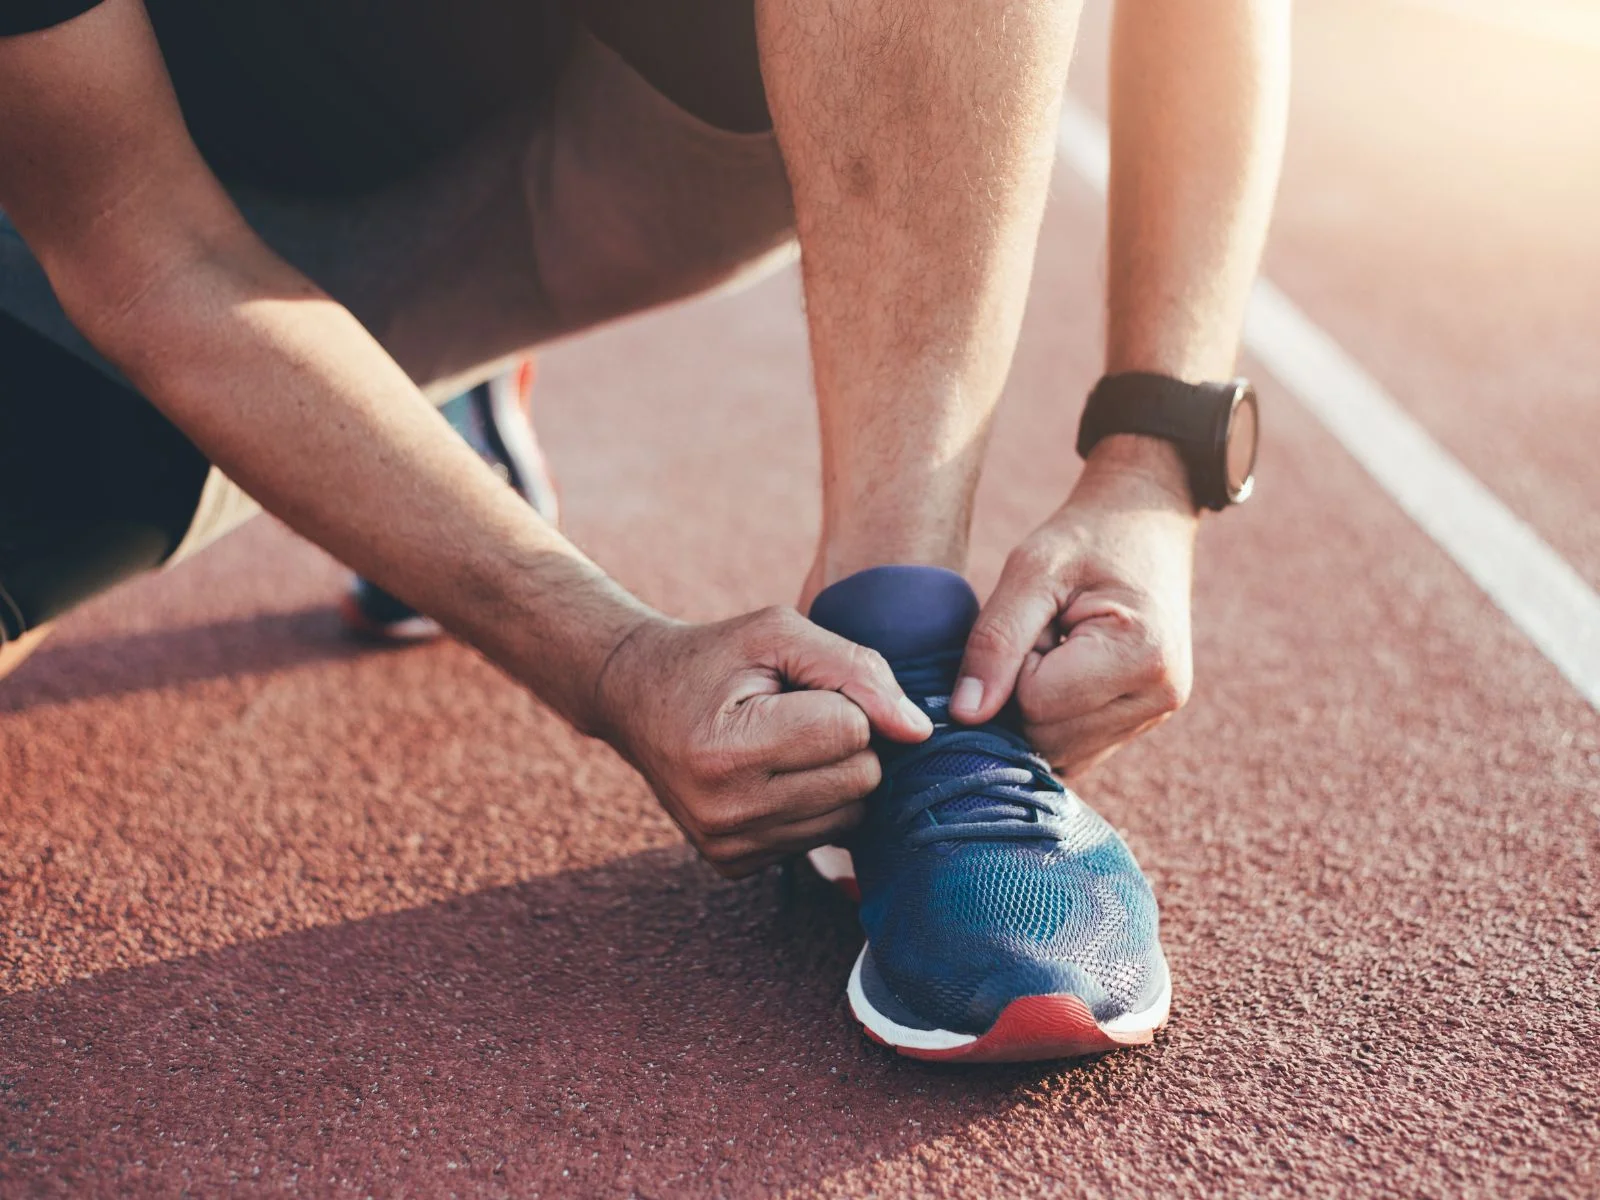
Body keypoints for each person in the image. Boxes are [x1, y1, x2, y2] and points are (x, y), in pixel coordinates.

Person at [0, 0, 1287, 1061]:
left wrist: (1151, 467)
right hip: (113, 240)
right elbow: (144, 252)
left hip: (597, 145)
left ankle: (900, 653)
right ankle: (404, 408)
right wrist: (610, 661)